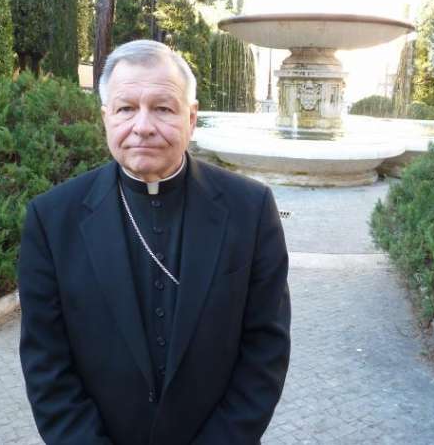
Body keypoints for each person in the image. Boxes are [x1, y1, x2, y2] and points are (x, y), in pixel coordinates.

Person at [18, 39, 291, 445]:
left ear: (191, 118)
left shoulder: (250, 210)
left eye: (162, 108)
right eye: (126, 108)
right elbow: (46, 365)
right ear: (106, 117)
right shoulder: (52, 219)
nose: (142, 126)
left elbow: (265, 350)